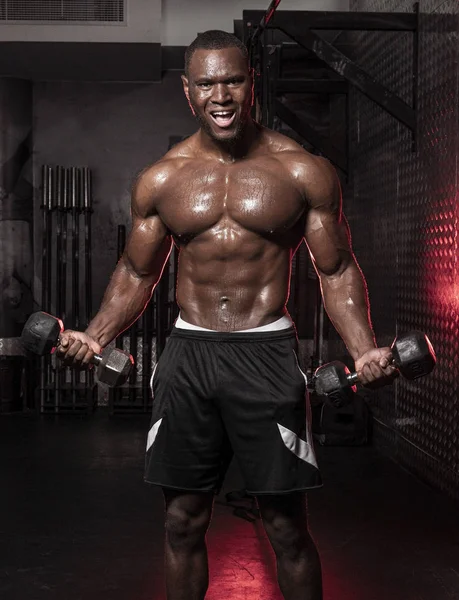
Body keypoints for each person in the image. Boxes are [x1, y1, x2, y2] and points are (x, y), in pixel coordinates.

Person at [56, 30, 397, 600]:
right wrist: (94, 335)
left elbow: (335, 270)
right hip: (189, 355)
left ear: (251, 83)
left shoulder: (302, 171)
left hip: (265, 354)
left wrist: (362, 349)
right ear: (188, 92)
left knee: (286, 527)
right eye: (207, 82)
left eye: (233, 80)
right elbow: (138, 273)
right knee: (182, 522)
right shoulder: (161, 178)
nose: (222, 94)